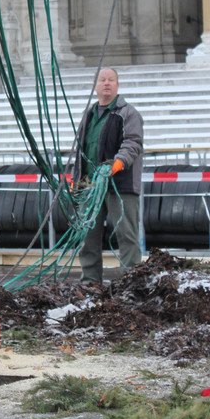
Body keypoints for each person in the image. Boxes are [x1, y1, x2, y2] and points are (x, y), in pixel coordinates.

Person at [74, 68, 144, 283]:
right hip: (90, 186)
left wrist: (118, 162)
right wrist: (77, 180)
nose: (106, 83)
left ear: (117, 85)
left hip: (120, 185)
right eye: (102, 80)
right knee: (87, 235)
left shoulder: (128, 113)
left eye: (111, 80)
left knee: (126, 234)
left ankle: (130, 282)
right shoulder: (89, 114)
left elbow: (133, 142)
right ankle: (90, 282)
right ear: (95, 86)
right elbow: (82, 149)